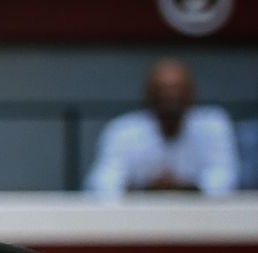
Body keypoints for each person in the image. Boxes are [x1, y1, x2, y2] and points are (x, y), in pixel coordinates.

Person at [84, 59, 239, 198]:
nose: (170, 97)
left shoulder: (213, 126)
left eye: (178, 89)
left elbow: (225, 181)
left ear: (191, 94)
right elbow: (101, 185)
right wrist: (145, 189)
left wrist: (182, 188)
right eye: (162, 90)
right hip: (138, 222)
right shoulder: (123, 130)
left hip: (202, 223)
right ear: (147, 95)